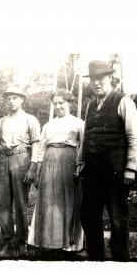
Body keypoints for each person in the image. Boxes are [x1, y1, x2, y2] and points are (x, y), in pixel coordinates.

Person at [80, 60, 137, 260]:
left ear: (110, 78)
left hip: (115, 172)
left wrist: (131, 168)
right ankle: (96, 257)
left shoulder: (124, 102)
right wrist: (81, 162)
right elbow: (86, 137)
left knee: (117, 219)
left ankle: (120, 260)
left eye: (100, 79)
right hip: (92, 172)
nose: (96, 83)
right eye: (93, 80)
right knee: (89, 216)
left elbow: (135, 137)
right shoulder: (90, 106)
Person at [30, 89, 84, 254]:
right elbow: (40, 148)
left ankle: (70, 243)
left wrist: (79, 165)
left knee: (67, 201)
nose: (58, 106)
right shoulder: (48, 124)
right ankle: (48, 241)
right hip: (49, 162)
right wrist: (38, 170)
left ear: (69, 103)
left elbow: (82, 146)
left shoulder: (79, 123)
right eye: (55, 103)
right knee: (49, 201)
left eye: (62, 102)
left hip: (69, 161)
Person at [0, 86, 41, 257]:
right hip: (3, 159)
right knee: (3, 205)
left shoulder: (30, 119)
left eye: (15, 98)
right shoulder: (2, 121)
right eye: (9, 98)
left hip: (22, 158)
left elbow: (36, 143)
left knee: (20, 204)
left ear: (22, 99)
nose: (11, 101)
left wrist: (33, 166)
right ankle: (7, 241)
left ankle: (22, 242)